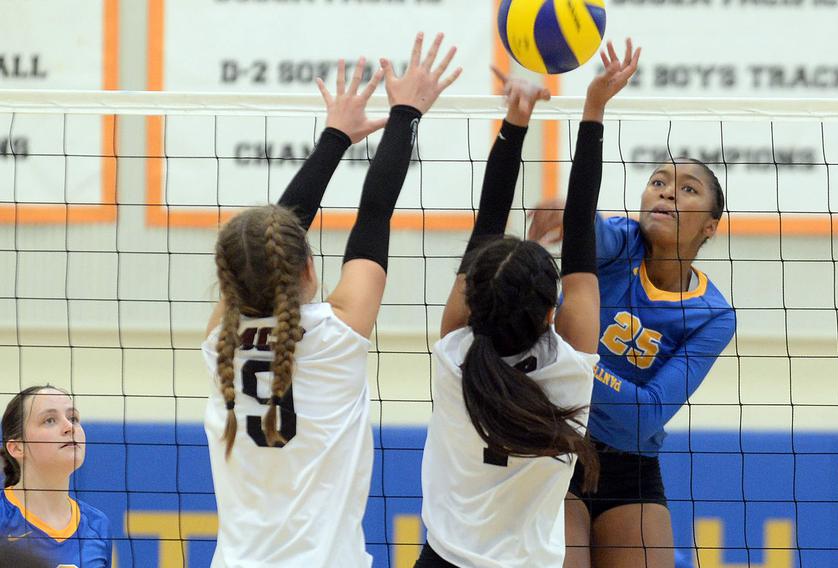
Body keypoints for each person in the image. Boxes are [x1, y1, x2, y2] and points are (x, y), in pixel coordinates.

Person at [201, 35, 461, 567]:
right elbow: (374, 216)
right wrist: (361, 127)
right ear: (309, 270)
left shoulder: (218, 343)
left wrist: (387, 118)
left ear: (225, 285)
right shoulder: (335, 335)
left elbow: (344, 220)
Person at [415, 45, 640, 568]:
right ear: (549, 313)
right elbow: (580, 227)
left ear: (472, 302)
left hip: (444, 558)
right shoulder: (570, 369)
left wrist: (515, 121)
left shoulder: (455, 355)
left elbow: (486, 227)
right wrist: (593, 108)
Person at [528, 40, 736, 568]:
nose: (666, 193)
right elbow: (588, 232)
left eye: (688, 189)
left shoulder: (713, 315)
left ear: (710, 226)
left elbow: (645, 417)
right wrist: (568, 215)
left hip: (632, 464)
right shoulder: (621, 242)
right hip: (559, 443)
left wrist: (573, 362)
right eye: (658, 182)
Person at [0, 385, 113, 567]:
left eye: (73, 418)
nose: (69, 427)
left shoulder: (96, 525)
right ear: (17, 447)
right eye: (50, 420)